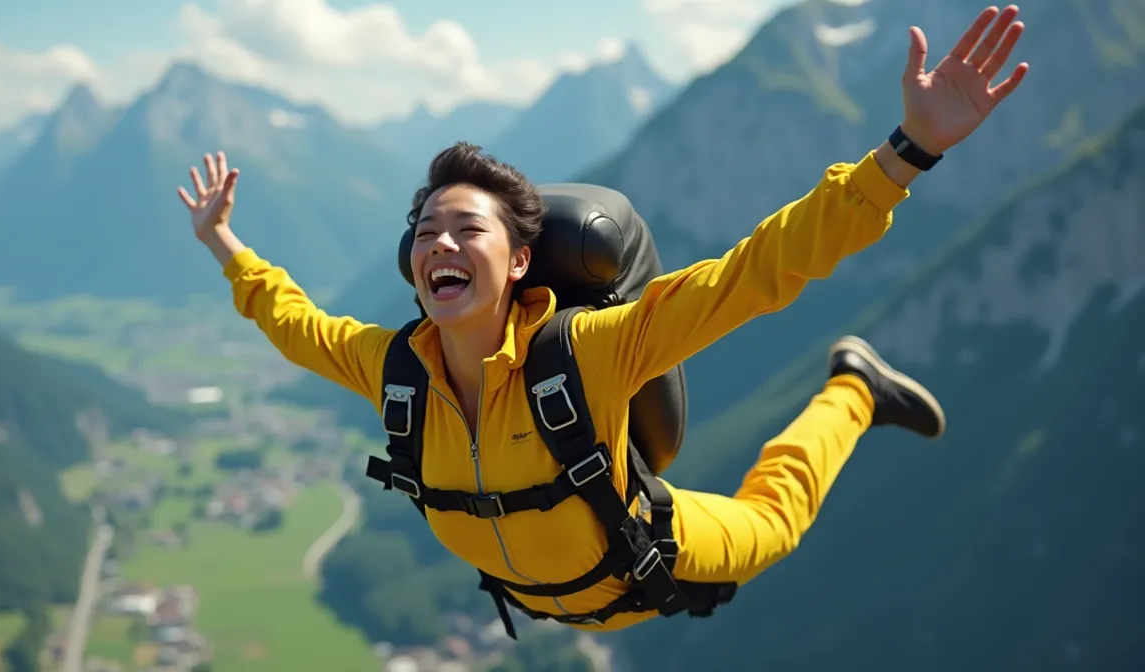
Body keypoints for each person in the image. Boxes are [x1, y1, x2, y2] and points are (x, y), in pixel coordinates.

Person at [177, 5, 1028, 632]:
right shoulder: (392, 367)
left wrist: (906, 153)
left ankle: (855, 391)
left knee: (772, 523)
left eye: (467, 228)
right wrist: (223, 244)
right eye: (426, 230)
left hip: (652, 552)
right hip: (567, 603)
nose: (440, 241)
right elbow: (293, 322)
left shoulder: (588, 353)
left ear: (517, 262)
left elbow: (759, 271)